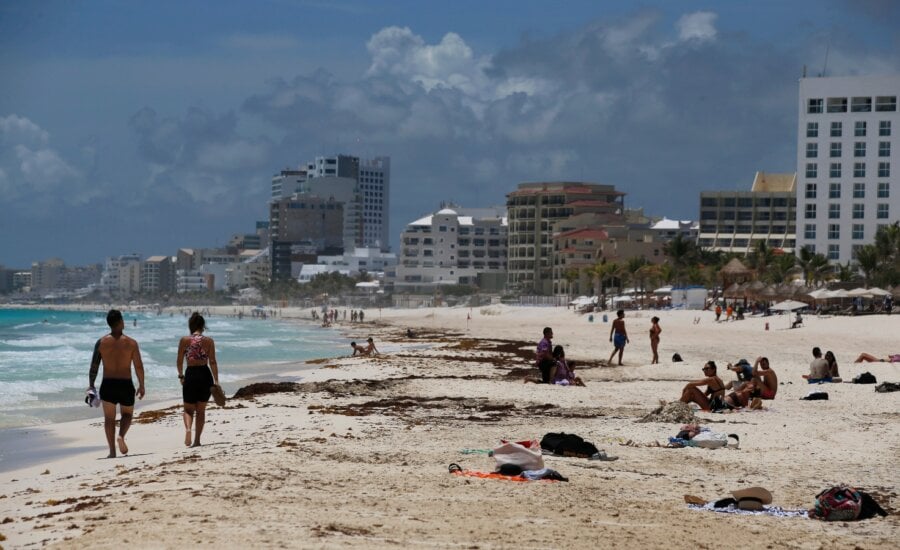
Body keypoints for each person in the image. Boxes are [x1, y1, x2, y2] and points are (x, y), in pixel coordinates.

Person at [88, 309, 145, 458]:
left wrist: (91, 384)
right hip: (125, 384)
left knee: (109, 419)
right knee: (127, 414)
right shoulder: (131, 343)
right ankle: (121, 436)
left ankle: (112, 451)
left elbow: (94, 365)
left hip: (108, 384)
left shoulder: (101, 343)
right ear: (120, 322)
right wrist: (142, 384)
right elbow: (138, 366)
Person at [176, 312, 220, 447]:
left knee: (188, 409)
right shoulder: (209, 341)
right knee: (201, 411)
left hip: (190, 374)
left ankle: (188, 429)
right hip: (204, 375)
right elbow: (212, 362)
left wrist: (181, 375)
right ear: (203, 326)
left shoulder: (184, 340)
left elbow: (179, 361)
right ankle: (196, 441)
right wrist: (216, 381)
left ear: (191, 325)